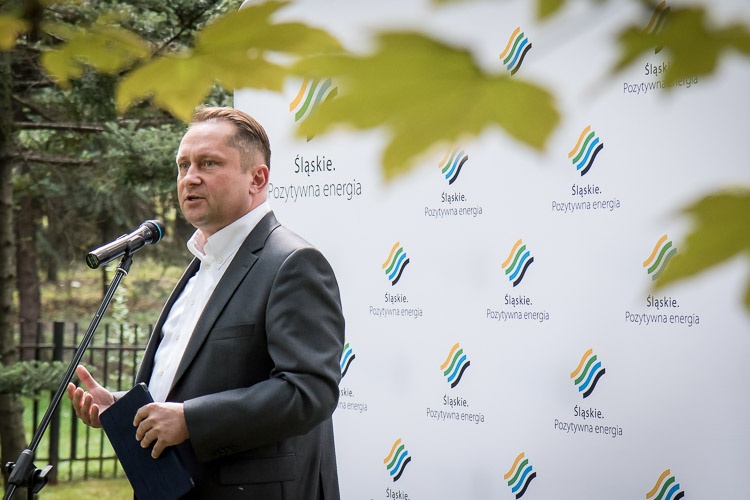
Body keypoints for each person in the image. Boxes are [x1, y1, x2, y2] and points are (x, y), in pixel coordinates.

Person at [67, 106, 345, 499]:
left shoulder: (292, 263)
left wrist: (191, 421)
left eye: (208, 163)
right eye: (183, 165)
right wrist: (121, 407)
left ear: (257, 178)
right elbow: (190, 384)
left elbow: (309, 392)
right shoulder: (202, 263)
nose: (189, 177)